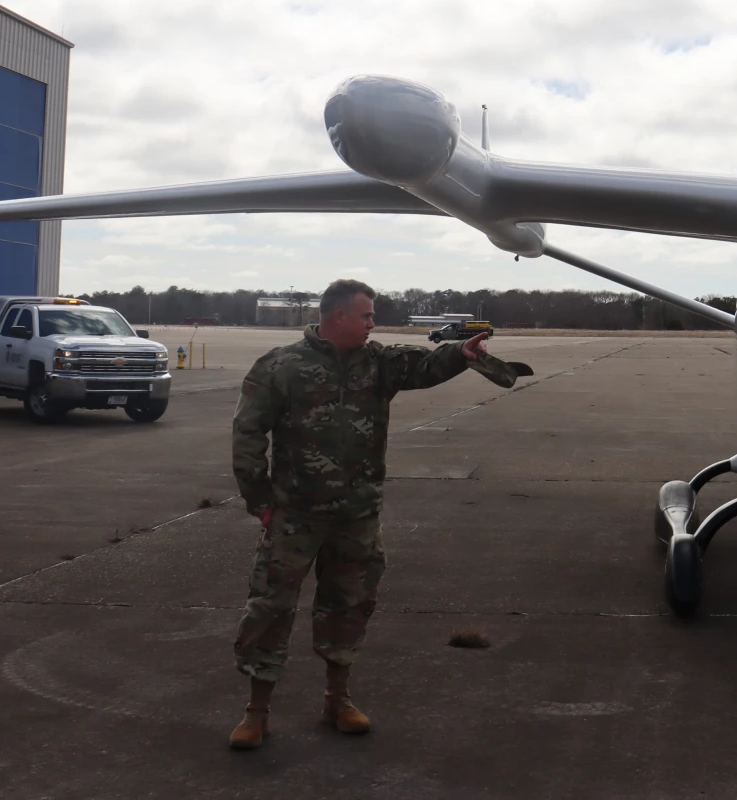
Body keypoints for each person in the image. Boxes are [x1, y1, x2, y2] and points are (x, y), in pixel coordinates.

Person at [226, 279, 534, 750]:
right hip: (295, 516)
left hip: (357, 515)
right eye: (367, 316)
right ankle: (257, 710)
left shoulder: (379, 364)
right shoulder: (281, 366)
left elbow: (427, 365)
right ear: (338, 317)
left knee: (349, 606)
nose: (373, 324)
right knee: (270, 608)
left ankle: (337, 699)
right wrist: (260, 501)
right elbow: (248, 435)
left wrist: (463, 352)